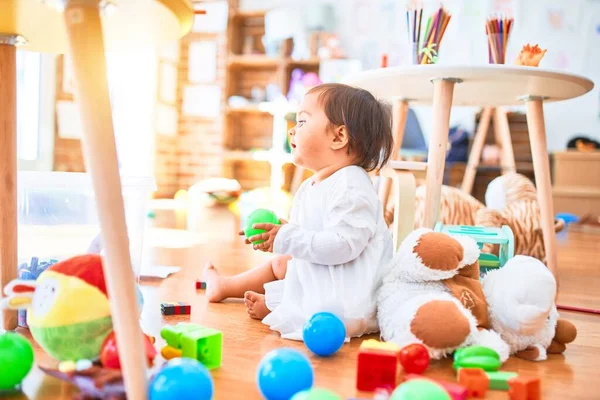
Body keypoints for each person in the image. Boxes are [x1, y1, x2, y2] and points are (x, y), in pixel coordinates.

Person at [203, 83, 394, 340]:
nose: (292, 129)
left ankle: (274, 304)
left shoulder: (352, 184)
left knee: (287, 267)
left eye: (303, 121)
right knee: (284, 262)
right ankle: (229, 287)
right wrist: (279, 232)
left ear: (339, 137)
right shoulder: (311, 185)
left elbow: (343, 245)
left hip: (349, 304)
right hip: (327, 283)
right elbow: (311, 235)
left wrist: (287, 237)